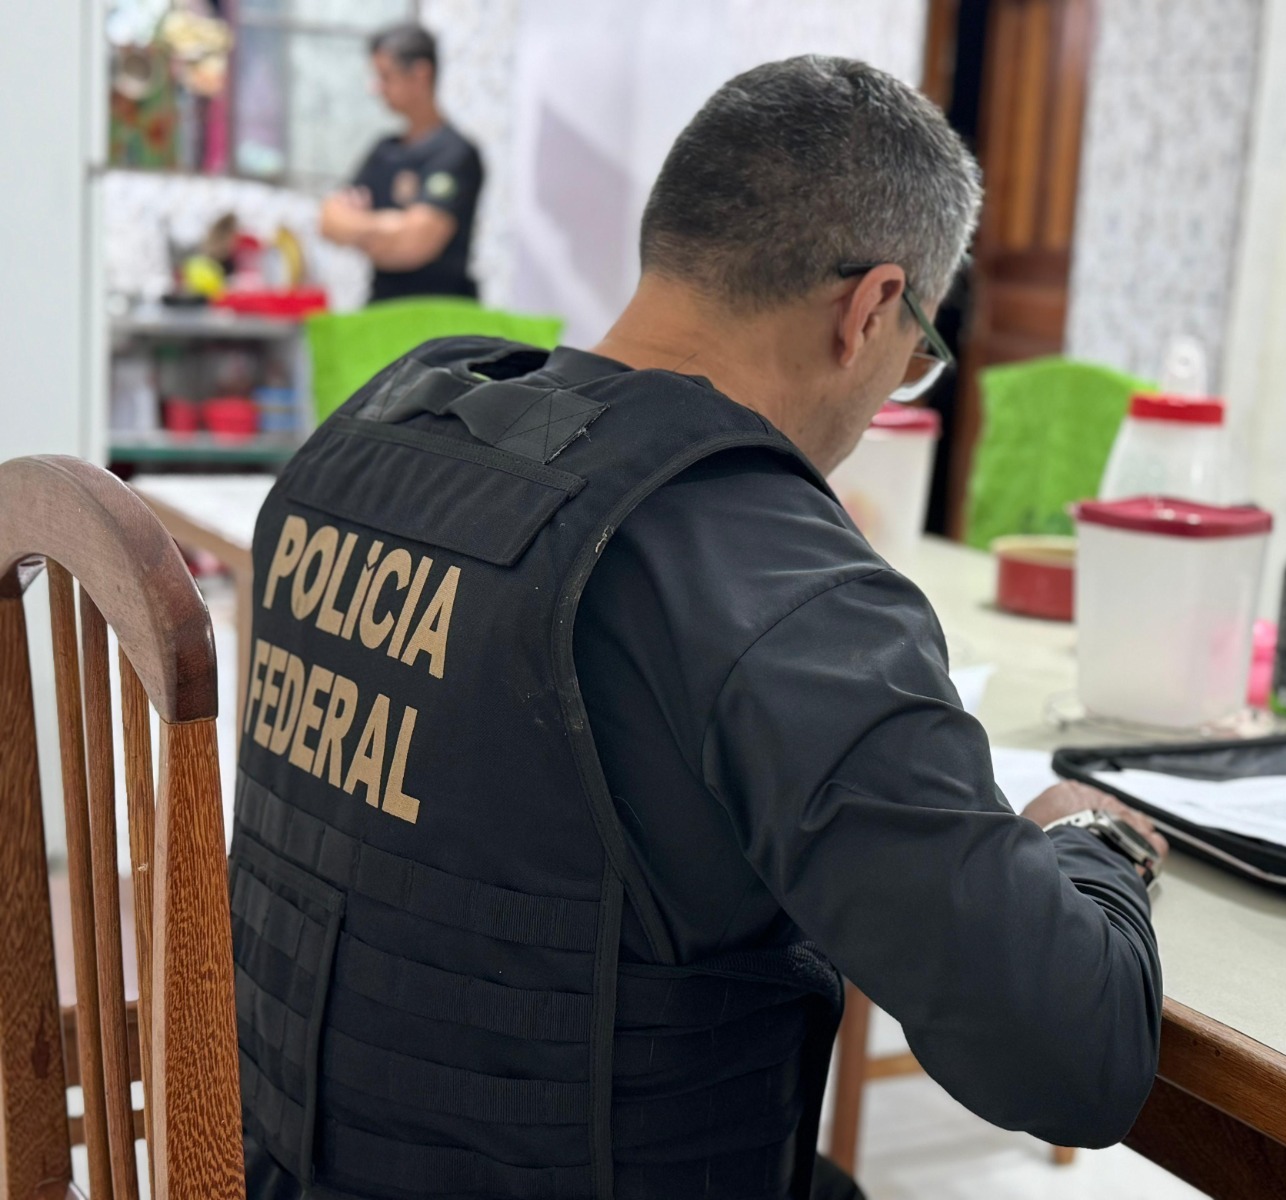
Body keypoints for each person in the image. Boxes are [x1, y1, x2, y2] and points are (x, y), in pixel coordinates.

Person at [232, 56, 1165, 1200]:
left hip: (281, 1164)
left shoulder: (379, 429)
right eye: (914, 357)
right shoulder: (771, 573)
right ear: (871, 309)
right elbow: (1074, 1061)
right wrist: (1095, 844)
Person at [319, 22, 483, 303]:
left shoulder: (456, 154)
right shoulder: (384, 150)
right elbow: (328, 220)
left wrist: (358, 229)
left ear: (420, 74)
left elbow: (414, 244)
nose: (376, 88)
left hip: (441, 312)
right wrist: (389, 227)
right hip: (382, 307)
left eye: (386, 76)